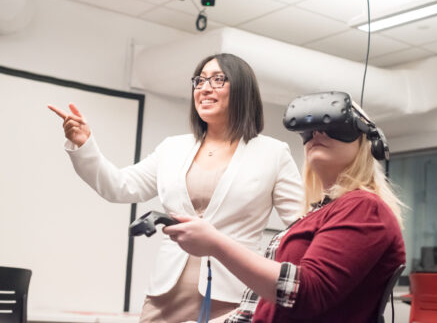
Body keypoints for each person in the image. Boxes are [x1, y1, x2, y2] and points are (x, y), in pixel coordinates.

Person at [48, 53, 303, 323]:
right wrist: (85, 144)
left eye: (218, 80)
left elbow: (301, 226)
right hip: (166, 294)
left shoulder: (273, 153)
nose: (205, 88)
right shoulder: (173, 148)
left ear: (242, 90)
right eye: (200, 80)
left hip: (233, 294)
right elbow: (118, 187)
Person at [162, 99, 406, 322]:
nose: (317, 133)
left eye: (334, 126)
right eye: (308, 131)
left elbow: (306, 294)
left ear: (367, 142)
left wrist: (216, 244)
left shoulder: (364, 207)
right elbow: (259, 307)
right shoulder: (317, 213)